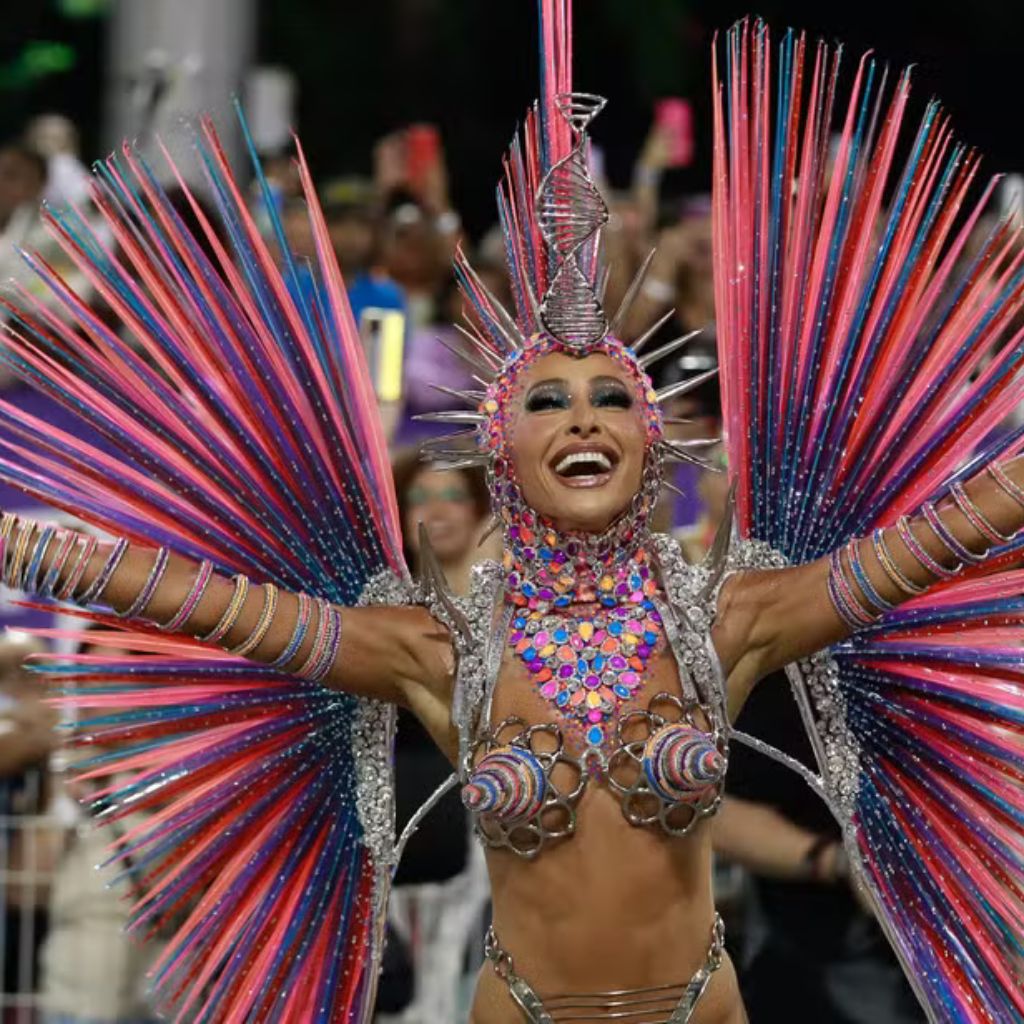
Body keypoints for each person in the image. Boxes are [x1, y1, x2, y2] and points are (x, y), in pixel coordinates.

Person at [0, 7, 1020, 1024]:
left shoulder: (728, 617)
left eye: (611, 397)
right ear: (503, 453)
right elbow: (221, 605)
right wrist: (33, 552)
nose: (584, 417)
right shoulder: (440, 647)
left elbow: (932, 541)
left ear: (648, 437)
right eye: (547, 401)